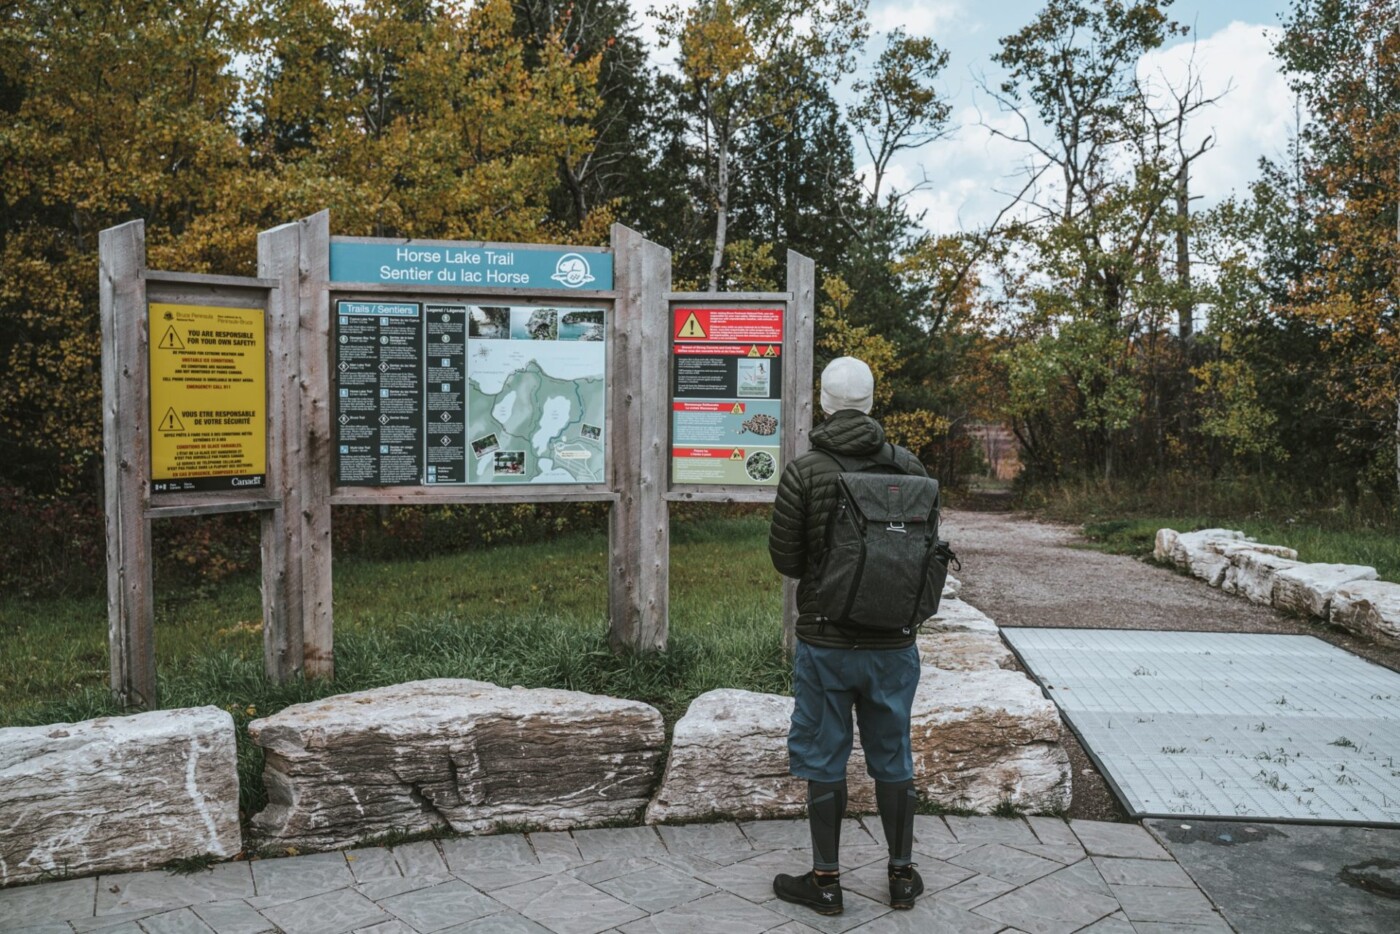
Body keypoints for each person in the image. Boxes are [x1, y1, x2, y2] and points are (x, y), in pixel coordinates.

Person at [767, 356, 927, 916]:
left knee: (823, 755)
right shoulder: (910, 468)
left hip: (826, 644)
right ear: (871, 401)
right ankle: (902, 876)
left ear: (825, 403)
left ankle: (826, 882)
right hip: (893, 644)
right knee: (893, 754)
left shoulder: (805, 470)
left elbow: (787, 560)